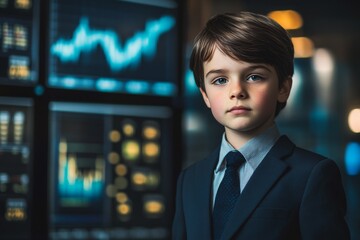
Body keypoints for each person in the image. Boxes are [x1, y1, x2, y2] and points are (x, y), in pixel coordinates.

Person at [172, 11, 350, 240]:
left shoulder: (312, 175)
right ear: (205, 95)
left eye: (254, 76)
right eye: (220, 80)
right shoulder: (190, 180)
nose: (236, 91)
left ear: (283, 88)